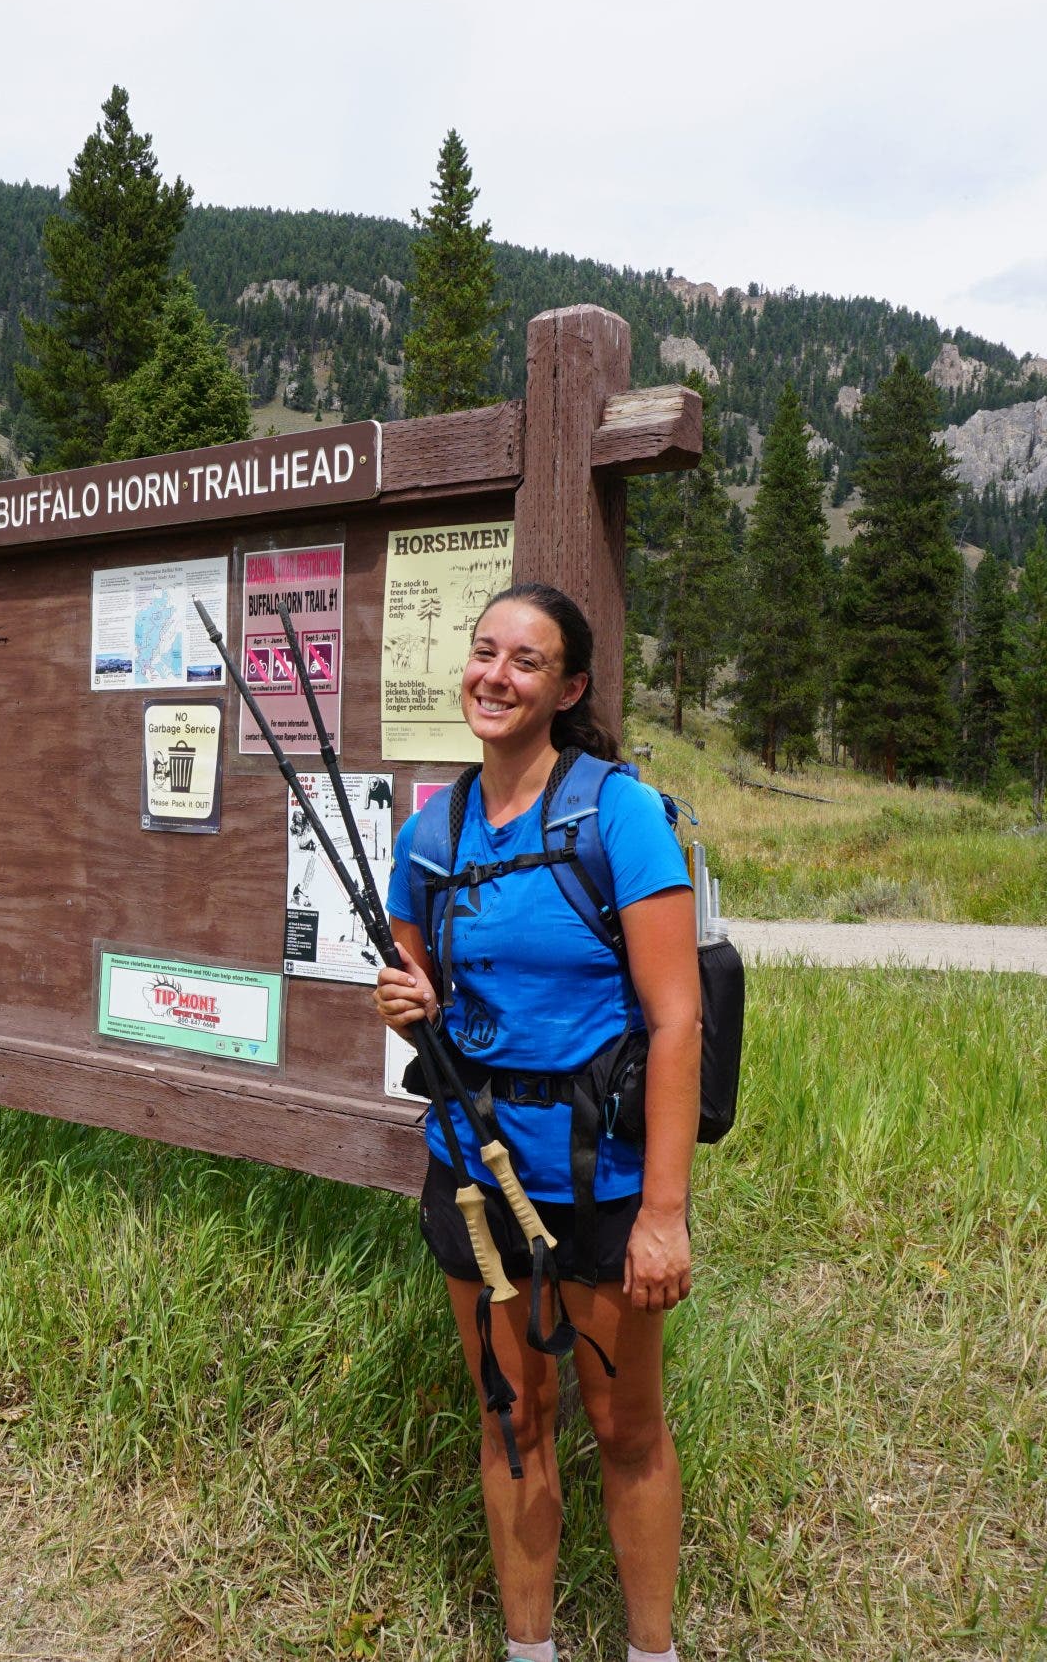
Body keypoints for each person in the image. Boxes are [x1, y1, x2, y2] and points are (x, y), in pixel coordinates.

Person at [376, 582, 701, 1662]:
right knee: (513, 1418)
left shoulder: (620, 816)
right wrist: (405, 1002)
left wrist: (663, 1213)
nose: (494, 675)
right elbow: (420, 993)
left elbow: (676, 1018)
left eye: (525, 661)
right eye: (483, 652)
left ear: (566, 689)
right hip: (473, 1172)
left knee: (623, 1425)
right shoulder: (432, 833)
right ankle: (530, 1649)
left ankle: (651, 1650)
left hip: (601, 1179)